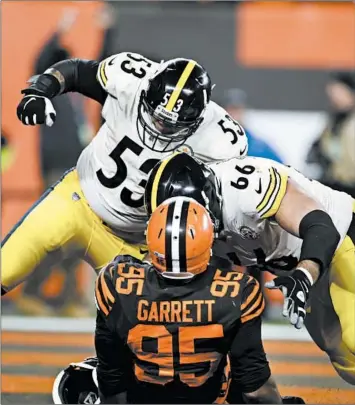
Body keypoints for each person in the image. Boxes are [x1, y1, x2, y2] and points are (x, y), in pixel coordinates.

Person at [2, 52, 248, 299]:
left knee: (155, 327)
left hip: (135, 243)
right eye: (156, 115)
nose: (159, 127)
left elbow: (219, 210)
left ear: (197, 120)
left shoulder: (221, 141)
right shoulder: (130, 79)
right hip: (77, 200)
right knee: (4, 269)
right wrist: (40, 91)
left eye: (171, 125)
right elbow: (75, 72)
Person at [52, 197, 304, 404]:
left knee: (78, 381)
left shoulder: (116, 283)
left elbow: (112, 379)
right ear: (207, 241)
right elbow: (255, 389)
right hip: (208, 398)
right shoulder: (238, 292)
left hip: (143, 398)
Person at [144, 152, 355, 386]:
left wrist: (304, 276)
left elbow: (322, 228)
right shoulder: (189, 226)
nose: (186, 228)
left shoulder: (246, 189)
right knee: (348, 363)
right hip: (298, 271)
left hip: (339, 239)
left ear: (208, 196)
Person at [306, 72, 355, 197]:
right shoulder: (334, 120)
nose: (334, 98)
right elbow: (320, 147)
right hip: (337, 185)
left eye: (338, 93)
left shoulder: (349, 122)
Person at [223, 88, 283, 163]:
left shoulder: (259, 148)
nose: (234, 114)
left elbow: (282, 170)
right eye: (230, 109)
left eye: (237, 109)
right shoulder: (210, 145)